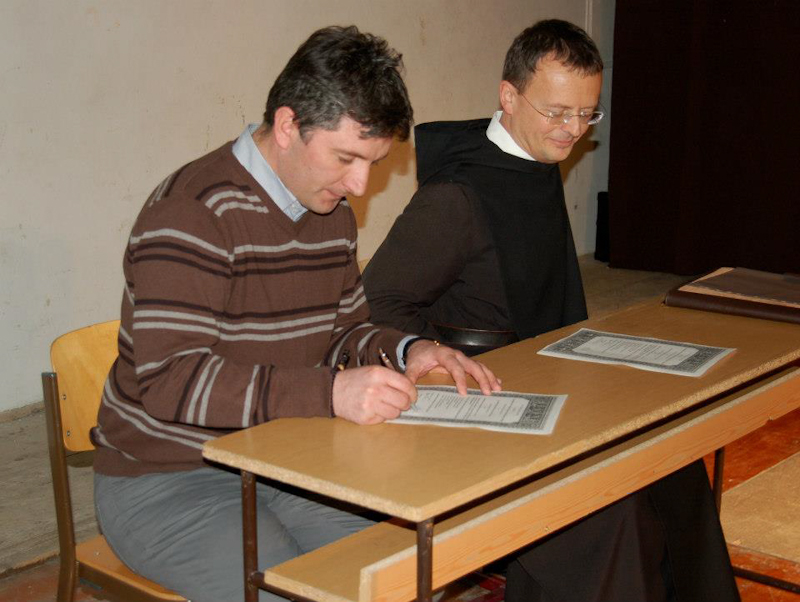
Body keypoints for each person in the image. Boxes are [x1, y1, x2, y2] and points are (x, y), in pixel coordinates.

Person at [91, 25, 500, 602]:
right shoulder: (191, 214)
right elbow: (171, 381)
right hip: (167, 479)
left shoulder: (330, 213)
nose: (360, 184)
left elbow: (343, 332)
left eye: (374, 163)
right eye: (346, 158)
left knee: (404, 575)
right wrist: (330, 393)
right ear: (288, 125)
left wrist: (409, 350)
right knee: (292, 591)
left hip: (282, 461)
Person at [363, 19, 740, 602]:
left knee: (673, 460)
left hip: (545, 376)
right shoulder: (456, 197)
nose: (573, 130)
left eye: (587, 114)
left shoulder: (530, 159)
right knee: (613, 507)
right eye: (558, 112)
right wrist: (432, 354)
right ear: (509, 97)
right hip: (484, 403)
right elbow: (375, 301)